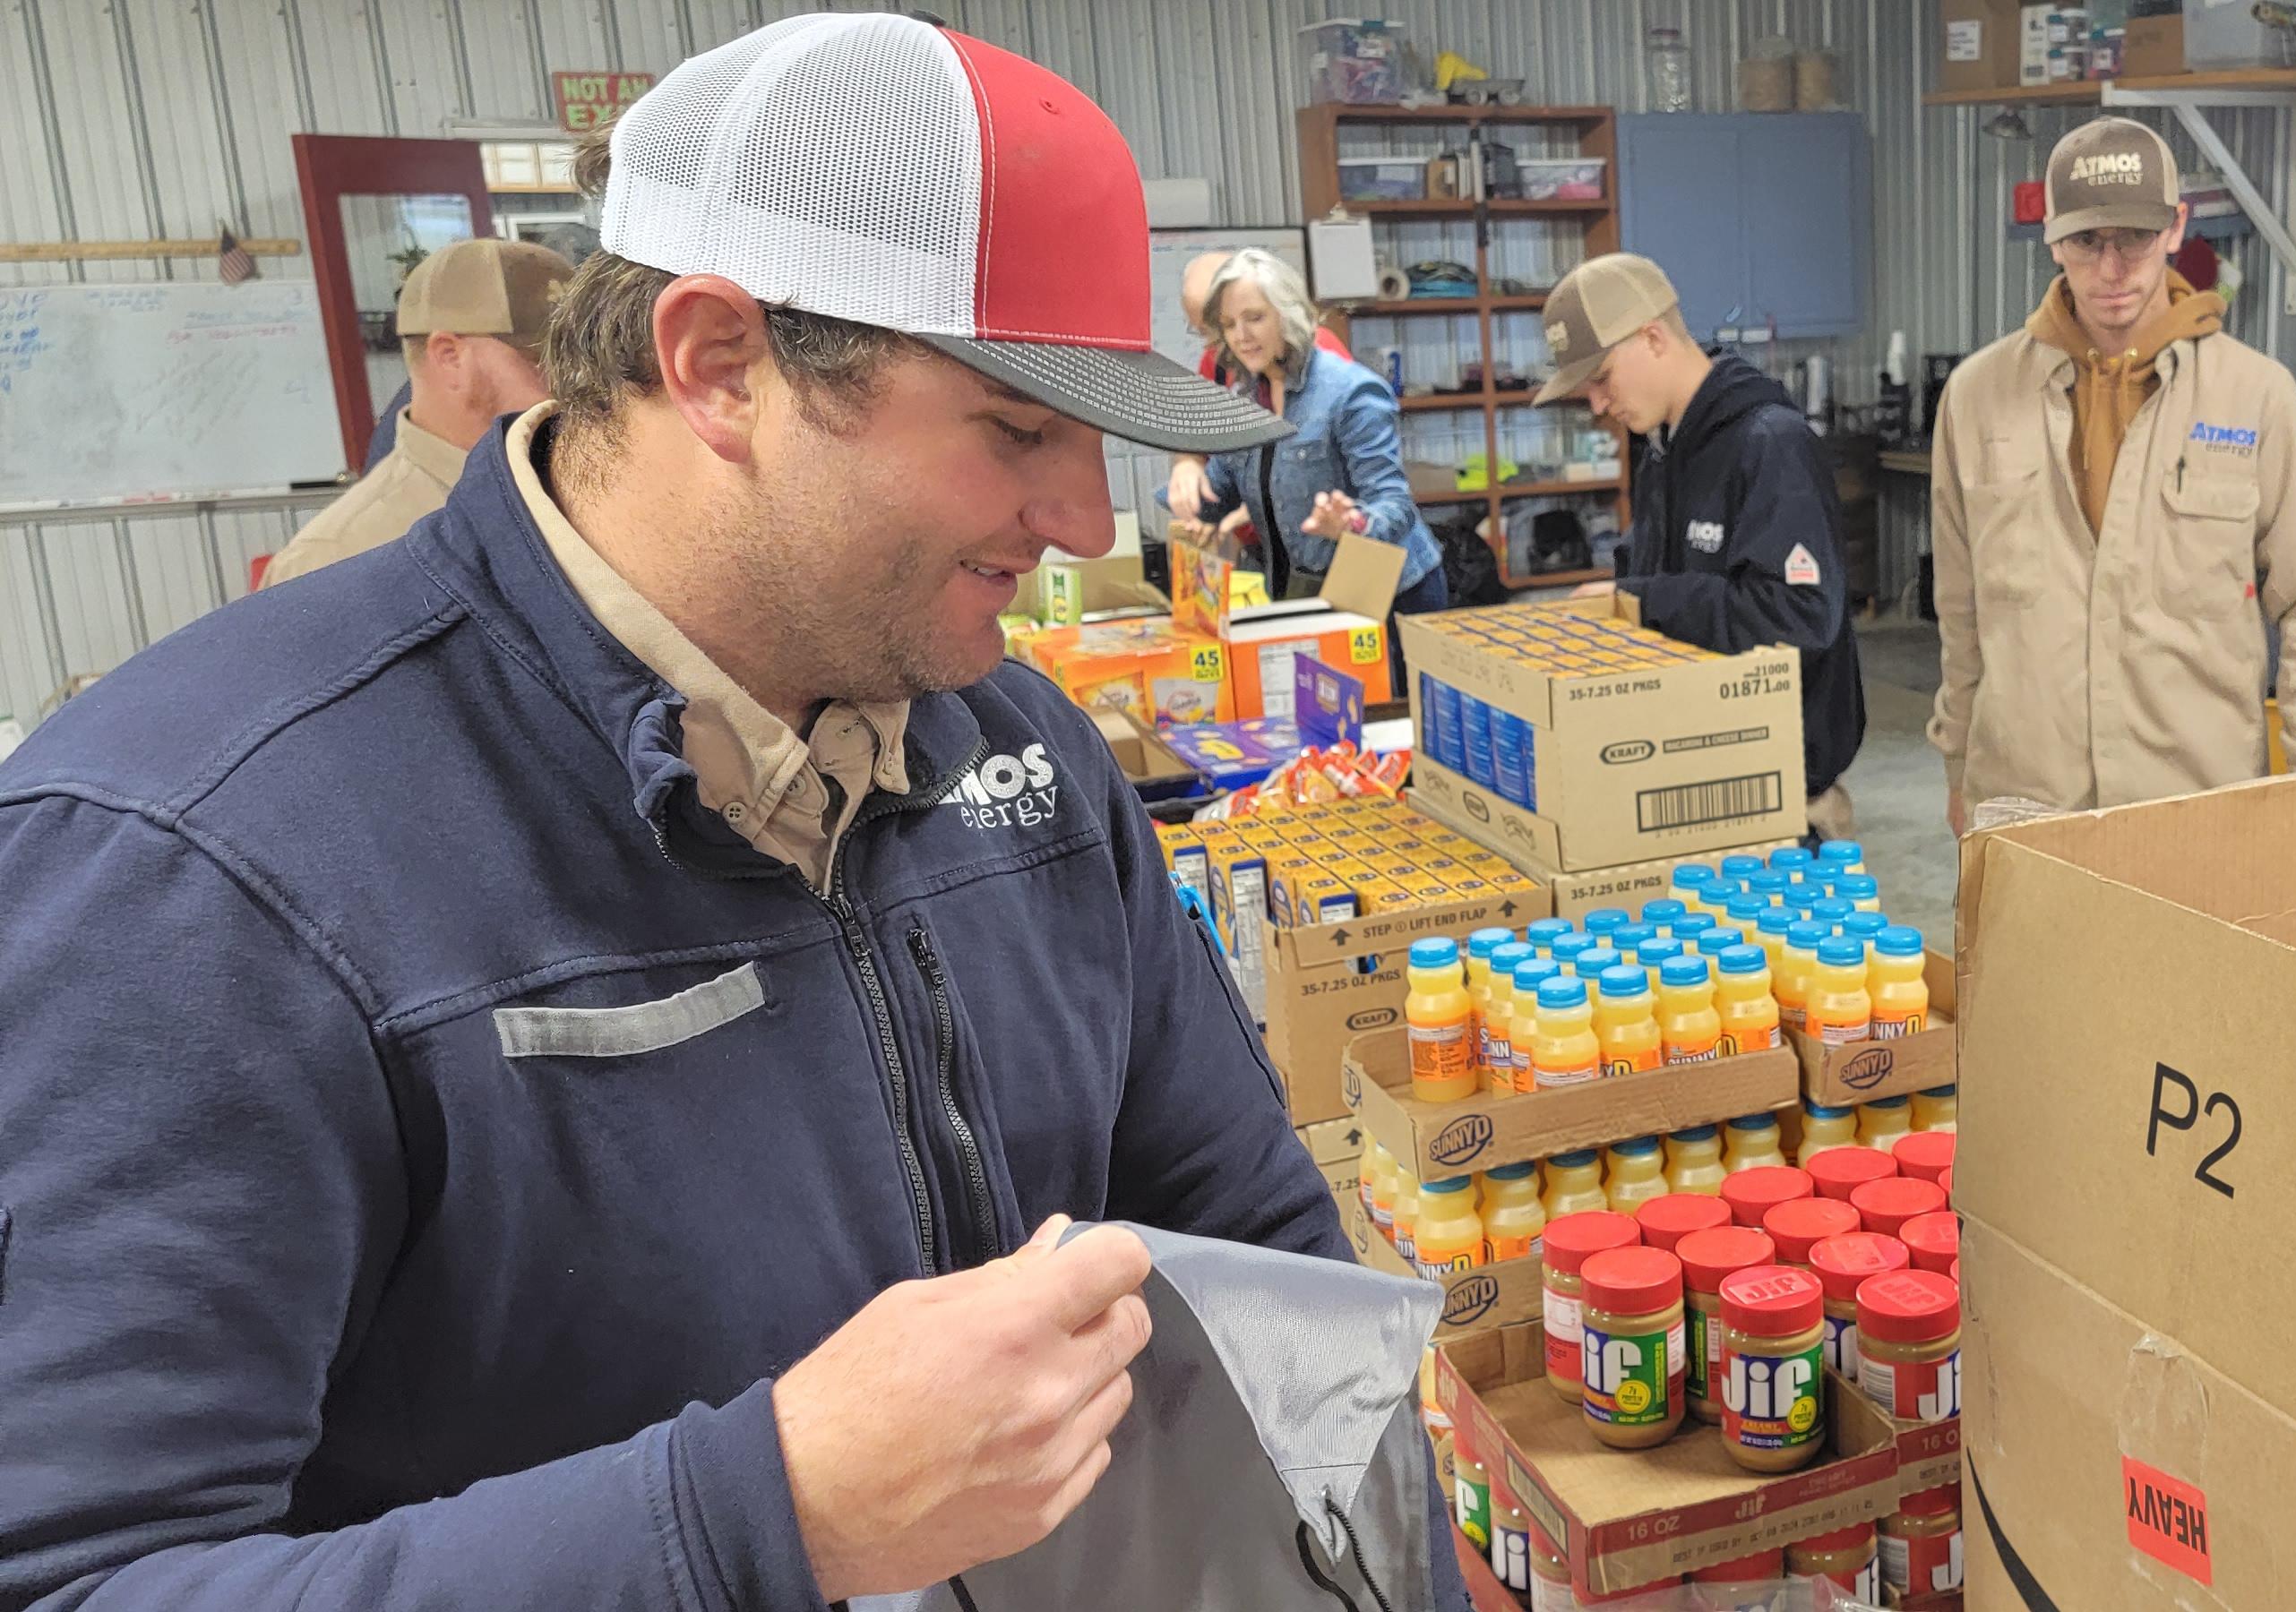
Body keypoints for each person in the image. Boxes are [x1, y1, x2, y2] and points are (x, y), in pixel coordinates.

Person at [0, 14, 1458, 1608]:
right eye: (1016, 430)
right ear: (716, 364)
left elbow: (1258, 1250)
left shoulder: (1018, 757)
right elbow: (87, 1578)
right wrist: (764, 1517)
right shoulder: (200, 861)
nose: (1077, 518)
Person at [1925, 116, 2296, 829]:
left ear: (2175, 228)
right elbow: (1961, 610)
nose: (2111, 268)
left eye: (2134, 237)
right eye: (2086, 240)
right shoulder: (1977, 398)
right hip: (2025, 805)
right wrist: (1957, 765)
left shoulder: (2253, 395)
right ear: (2050, 236)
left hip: (2197, 810)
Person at [1534, 252, 1865, 836]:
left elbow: (1799, 617)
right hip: (1693, 778)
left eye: (1602, 379)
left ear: (1653, 338)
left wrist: (1643, 602)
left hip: (1779, 804)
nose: (1598, 405)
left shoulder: (1770, 444)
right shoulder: (1663, 450)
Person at [263, 237, 570, 587]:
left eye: (586, 360)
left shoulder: (580, 488)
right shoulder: (337, 556)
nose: (581, 383)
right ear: (450, 357)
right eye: (547, 361)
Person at [1183, 247, 1451, 614]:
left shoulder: (1350, 391)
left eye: (1255, 318)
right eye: (1229, 325)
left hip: (1390, 593)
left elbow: (1395, 505)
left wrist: (1352, 523)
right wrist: (1189, 481)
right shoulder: (1242, 398)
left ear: (1288, 314)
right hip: (1309, 591)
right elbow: (1221, 489)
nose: (1241, 336)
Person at [1160, 247, 1352, 527]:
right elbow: (1193, 435)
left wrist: (1258, 505)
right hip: (1258, 547)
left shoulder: (1321, 356)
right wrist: (1188, 465)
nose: (1224, 342)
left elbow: (1344, 470)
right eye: (1208, 330)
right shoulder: (1215, 360)